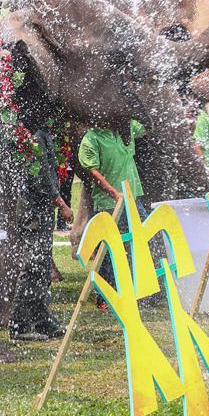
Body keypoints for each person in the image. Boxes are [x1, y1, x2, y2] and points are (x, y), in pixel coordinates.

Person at [9, 128, 72, 341]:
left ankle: (41, 318)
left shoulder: (44, 133)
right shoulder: (33, 137)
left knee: (43, 266)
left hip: (42, 209)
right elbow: (42, 177)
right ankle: (19, 325)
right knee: (32, 266)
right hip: (32, 210)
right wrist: (62, 204)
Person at [78, 119, 148, 310]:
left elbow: (147, 126)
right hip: (109, 203)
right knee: (108, 250)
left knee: (140, 241)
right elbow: (92, 171)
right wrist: (112, 192)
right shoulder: (91, 139)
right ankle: (104, 296)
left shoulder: (126, 129)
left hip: (132, 198)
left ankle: (135, 290)